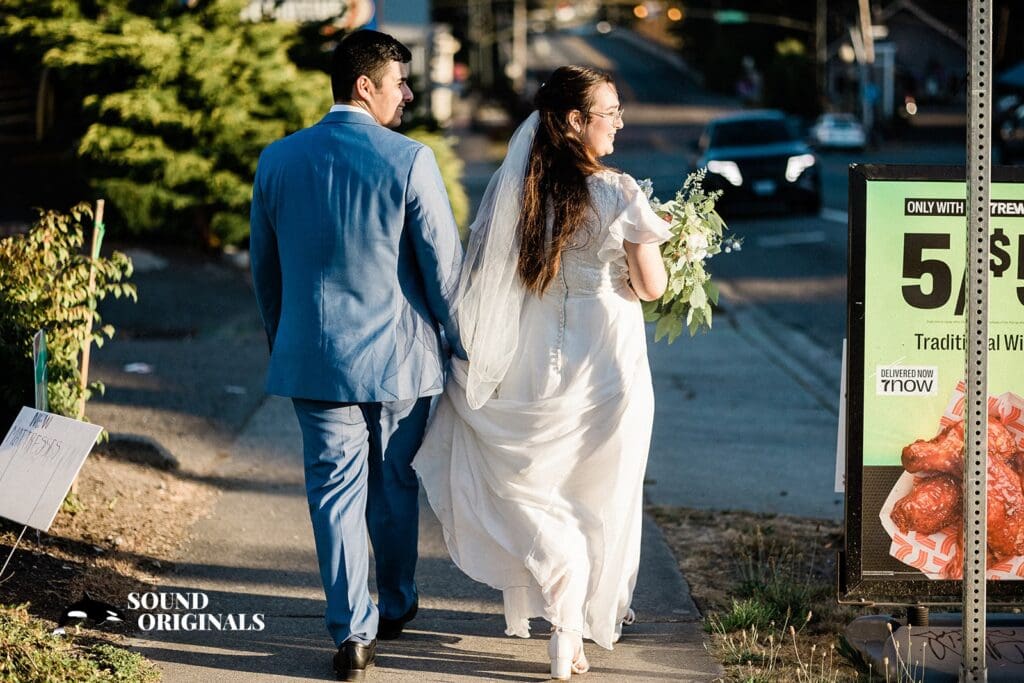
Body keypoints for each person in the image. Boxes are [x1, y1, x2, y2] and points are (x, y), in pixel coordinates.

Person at [412, 65, 670, 679]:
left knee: (541, 486)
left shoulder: (525, 192)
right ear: (577, 121)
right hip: (607, 367)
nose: (619, 122)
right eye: (610, 112)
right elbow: (651, 287)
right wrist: (669, 258)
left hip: (533, 363)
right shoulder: (620, 192)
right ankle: (571, 624)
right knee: (599, 493)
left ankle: (566, 628)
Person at [249, 29, 465, 682]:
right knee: (394, 485)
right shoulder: (409, 159)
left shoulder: (278, 160)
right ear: (364, 85)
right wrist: (462, 343)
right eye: (399, 82)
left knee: (333, 494)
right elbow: (443, 269)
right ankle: (396, 603)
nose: (407, 95)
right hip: (401, 361)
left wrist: (282, 339)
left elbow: (266, 271)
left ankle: (353, 631)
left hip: (314, 360)